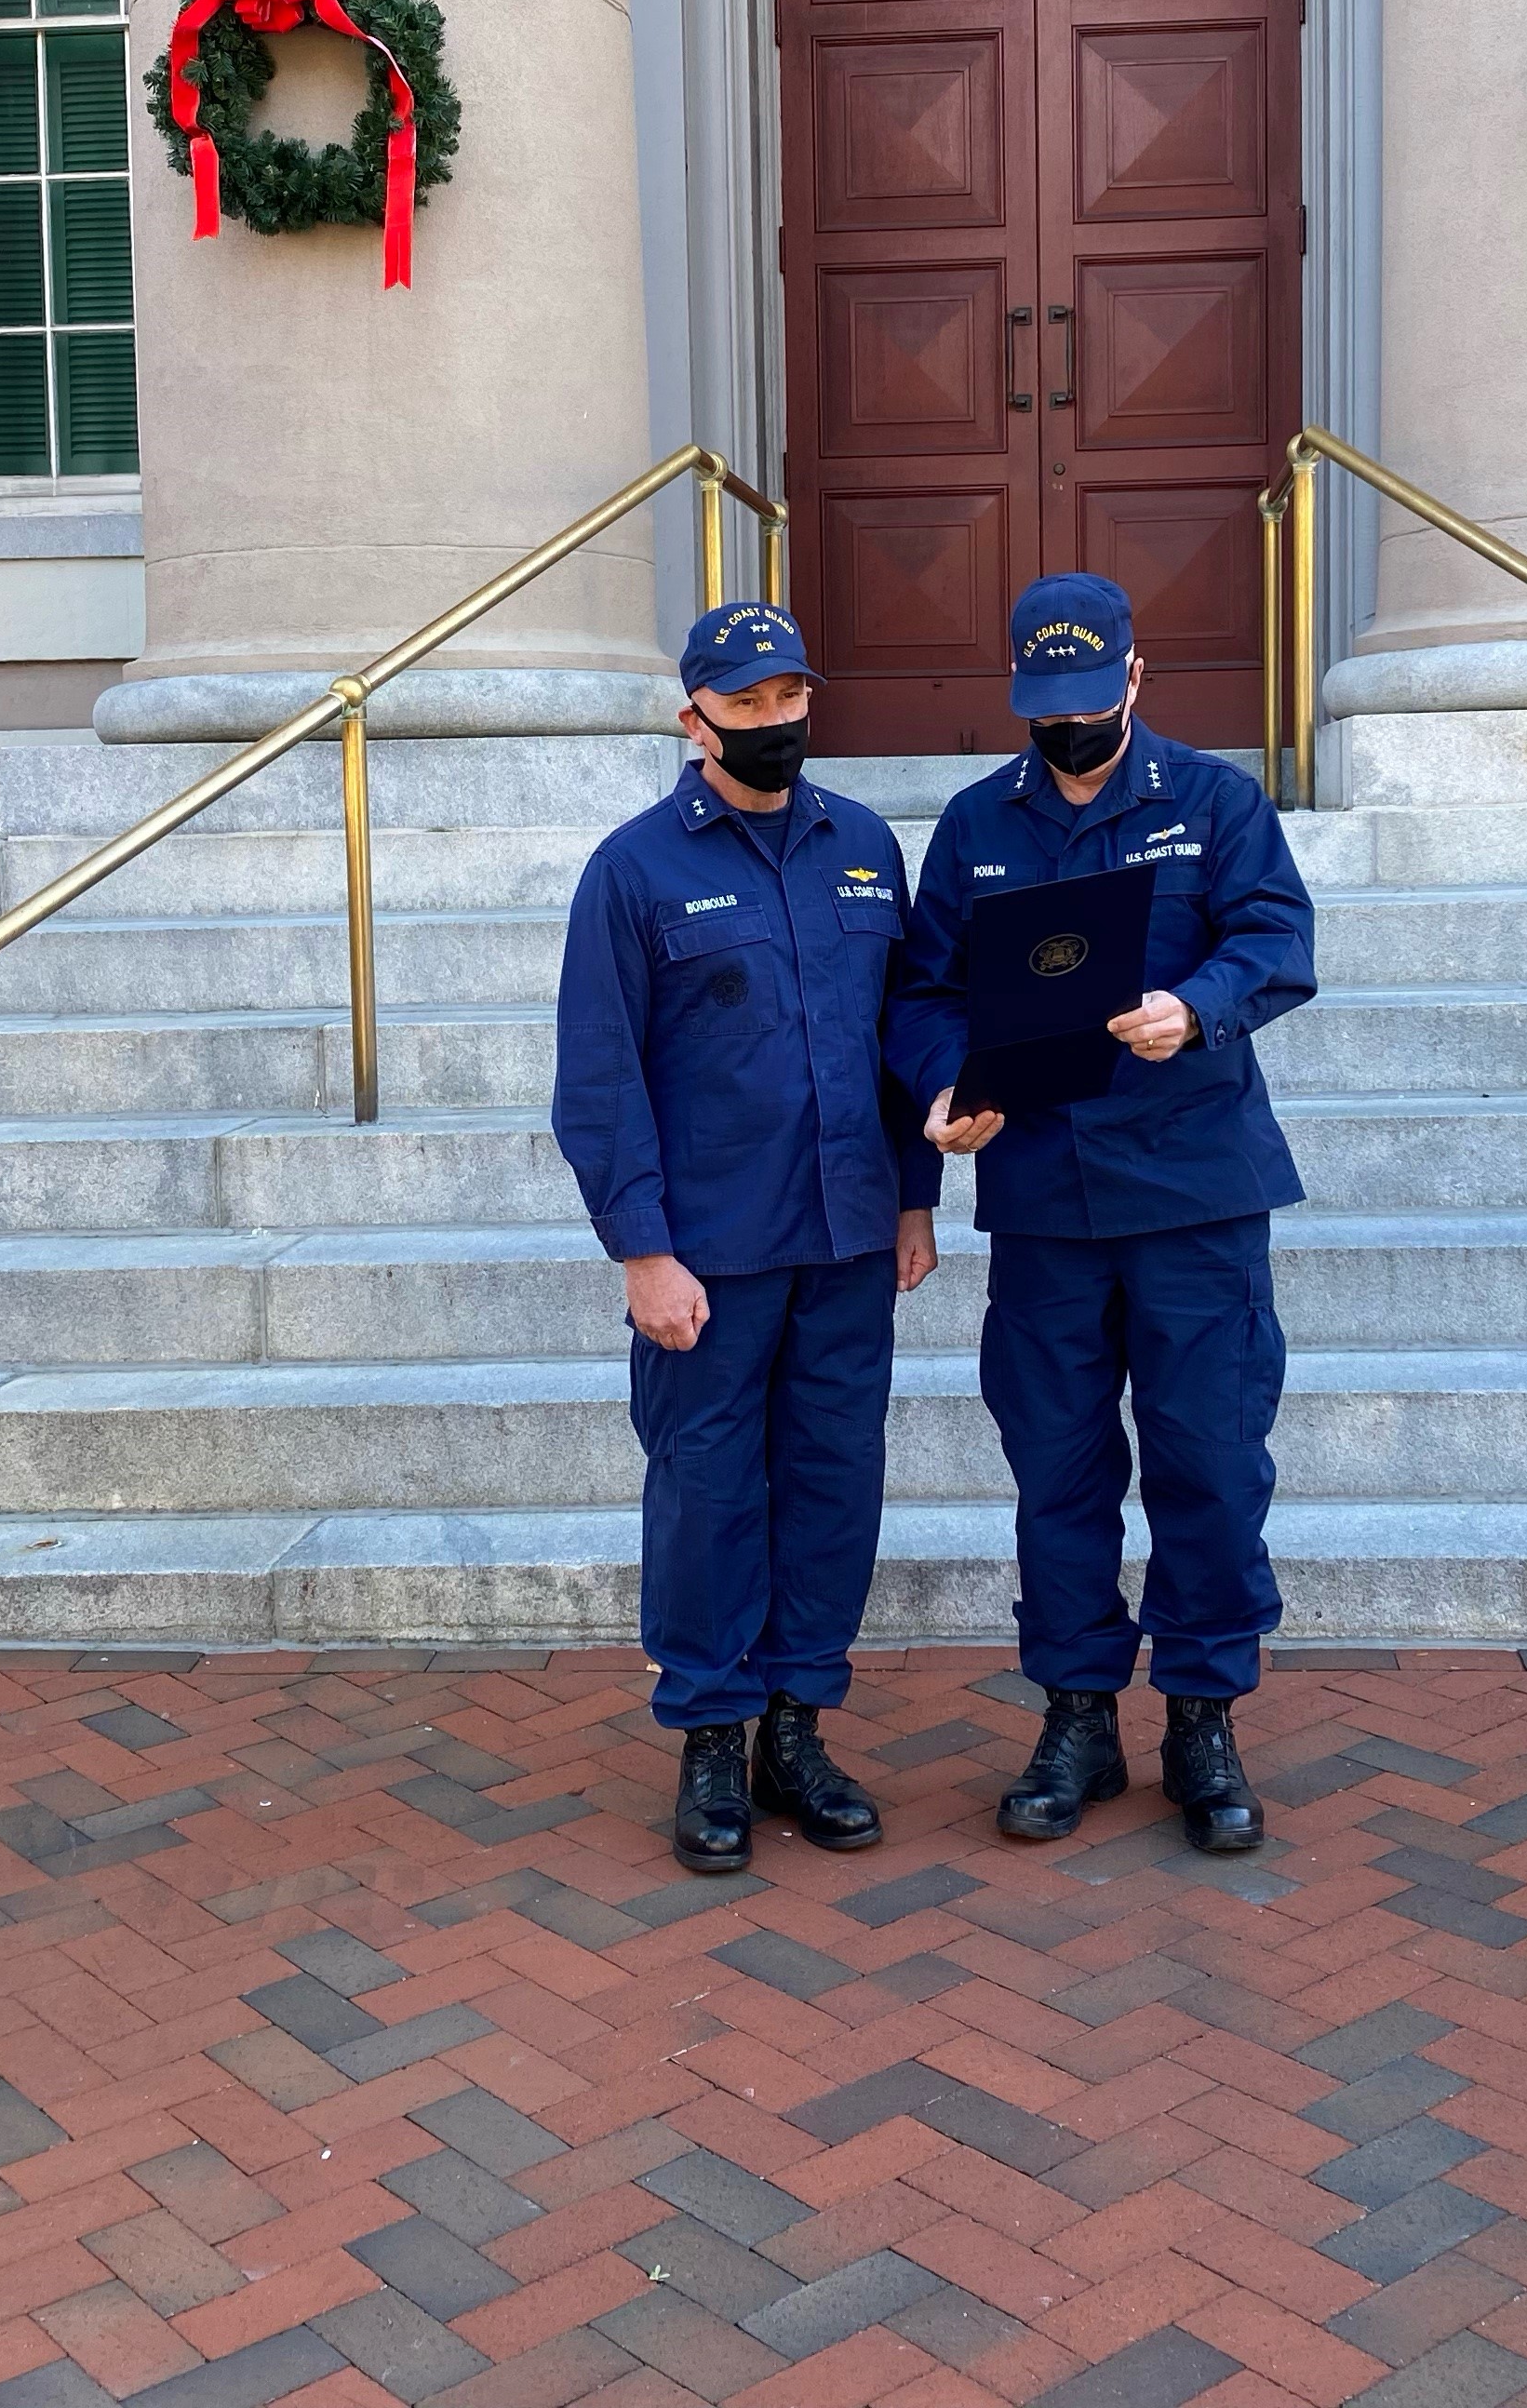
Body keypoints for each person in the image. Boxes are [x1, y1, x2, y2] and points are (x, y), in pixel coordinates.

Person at [891, 573, 1315, 1853]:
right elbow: (925, 992)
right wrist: (946, 1082)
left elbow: (1279, 936)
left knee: (1207, 1457)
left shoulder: (1214, 801)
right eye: (1045, 706)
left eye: (1090, 699)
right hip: (1043, 1199)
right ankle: (1076, 1711)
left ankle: (1202, 1715)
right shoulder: (975, 828)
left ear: (1134, 681)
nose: (1067, 727)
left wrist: (1202, 1003)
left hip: (1193, 1190)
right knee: (1058, 1470)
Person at [554, 601, 942, 1872]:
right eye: (751, 703)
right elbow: (600, 1078)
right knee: (711, 1492)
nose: (777, 723)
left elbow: (901, 1033)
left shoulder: (868, 846)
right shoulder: (634, 869)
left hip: (844, 1240)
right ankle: (712, 1736)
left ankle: (796, 1727)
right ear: (694, 719)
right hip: (710, 1252)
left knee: (832, 1486)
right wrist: (642, 1252)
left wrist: (912, 1197)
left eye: (792, 699)